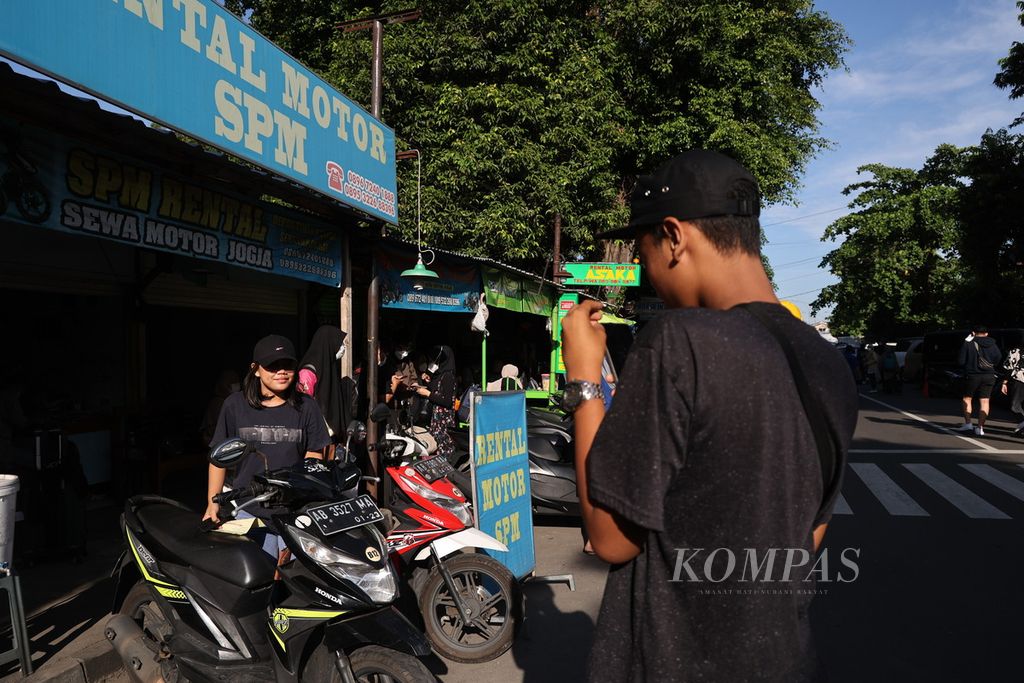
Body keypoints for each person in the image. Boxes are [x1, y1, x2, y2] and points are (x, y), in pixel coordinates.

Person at [560, 150, 859, 682]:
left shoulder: (680, 343)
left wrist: (585, 380)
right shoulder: (827, 362)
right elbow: (808, 536)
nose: (649, 275)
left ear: (674, 237)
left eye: (644, 252)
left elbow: (608, 537)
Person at [204, 334, 330, 558]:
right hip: (247, 510)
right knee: (257, 578)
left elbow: (314, 454)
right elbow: (218, 457)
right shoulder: (235, 405)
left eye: (287, 365)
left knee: (296, 580)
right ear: (256, 369)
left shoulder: (307, 406)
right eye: (273, 366)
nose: (281, 371)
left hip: (295, 513)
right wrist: (212, 503)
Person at [297, 325, 356, 450]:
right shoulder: (308, 373)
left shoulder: (329, 369)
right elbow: (303, 407)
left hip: (330, 439)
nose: (343, 348)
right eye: (340, 344)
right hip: (316, 440)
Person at [955, 326, 1002, 436]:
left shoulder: (969, 343)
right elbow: (998, 358)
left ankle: (968, 424)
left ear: (973, 332)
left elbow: (960, 361)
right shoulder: (993, 344)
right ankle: (980, 427)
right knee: (985, 401)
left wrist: (966, 342)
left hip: (972, 375)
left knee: (967, 398)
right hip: (989, 375)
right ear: (986, 333)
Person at [413, 345, 457, 460]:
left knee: (444, 450)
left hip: (443, 421)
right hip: (437, 420)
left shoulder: (448, 376)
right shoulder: (441, 375)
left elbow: (446, 401)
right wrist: (424, 383)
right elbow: (436, 389)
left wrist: (427, 394)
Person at [1000, 346, 1024, 436]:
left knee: (1015, 405)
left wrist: (1004, 382)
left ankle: (1022, 424)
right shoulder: (1016, 351)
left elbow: (1009, 367)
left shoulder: (1016, 351)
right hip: (1020, 379)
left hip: (1019, 380)